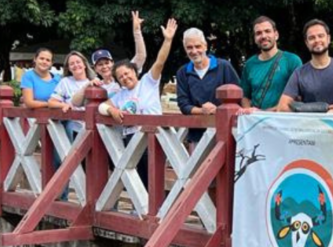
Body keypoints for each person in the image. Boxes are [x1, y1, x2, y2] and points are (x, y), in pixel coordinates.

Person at [102, 18, 178, 187]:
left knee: (153, 179)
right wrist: (111, 111)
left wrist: (168, 40)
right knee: (135, 179)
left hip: (152, 137)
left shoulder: (148, 82)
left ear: (134, 72)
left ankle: (157, 211)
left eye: (127, 73)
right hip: (130, 139)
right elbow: (102, 106)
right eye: (120, 77)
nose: (125, 77)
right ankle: (140, 210)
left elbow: (159, 61)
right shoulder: (120, 95)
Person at [175, 27, 240, 144]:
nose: (194, 51)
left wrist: (218, 110)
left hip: (226, 133)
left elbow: (238, 98)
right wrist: (202, 110)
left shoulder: (224, 67)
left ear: (205, 46)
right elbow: (183, 105)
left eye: (197, 46)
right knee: (197, 163)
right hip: (196, 136)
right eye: (189, 47)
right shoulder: (182, 72)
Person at [275, 20, 333, 113]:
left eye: (321, 36)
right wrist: (320, 108)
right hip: (311, 126)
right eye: (312, 38)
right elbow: (282, 107)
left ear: (328, 39)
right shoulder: (299, 73)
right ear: (306, 43)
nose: (317, 40)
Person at [240, 16, 302, 110]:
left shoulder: (292, 61)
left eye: (267, 31)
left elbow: (298, 97)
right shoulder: (249, 65)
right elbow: (245, 96)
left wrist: (265, 114)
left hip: (284, 120)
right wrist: (249, 112)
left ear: (276, 35)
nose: (264, 36)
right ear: (255, 38)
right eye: (258, 33)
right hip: (256, 122)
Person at [92, 11, 149, 97]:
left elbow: (141, 55)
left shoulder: (124, 75)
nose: (104, 67)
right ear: (95, 69)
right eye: (100, 64)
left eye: (107, 63)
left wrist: (137, 31)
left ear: (112, 63)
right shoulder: (96, 87)